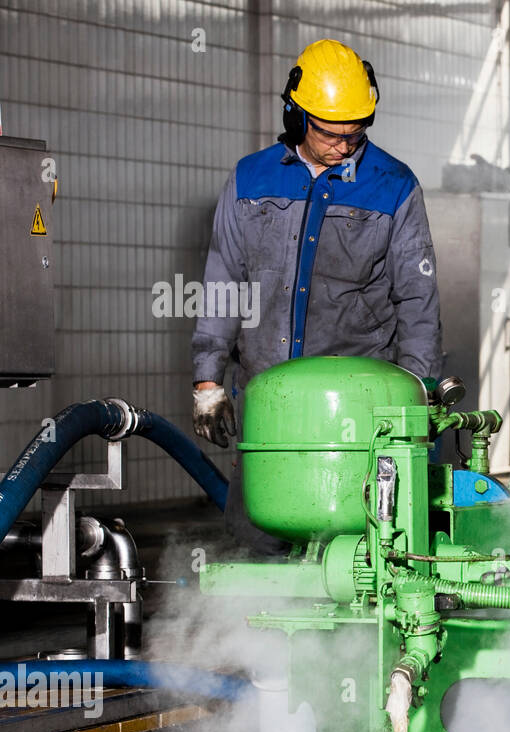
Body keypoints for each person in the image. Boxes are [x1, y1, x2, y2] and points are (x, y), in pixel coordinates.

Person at [191, 38, 441, 552]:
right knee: (255, 553)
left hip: (358, 413)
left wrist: (419, 395)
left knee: (359, 557)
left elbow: (418, 302)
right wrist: (207, 380)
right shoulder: (248, 180)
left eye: (356, 135)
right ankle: (245, 636)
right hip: (268, 405)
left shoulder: (395, 186)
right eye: (330, 135)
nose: (344, 147)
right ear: (295, 116)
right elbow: (222, 283)